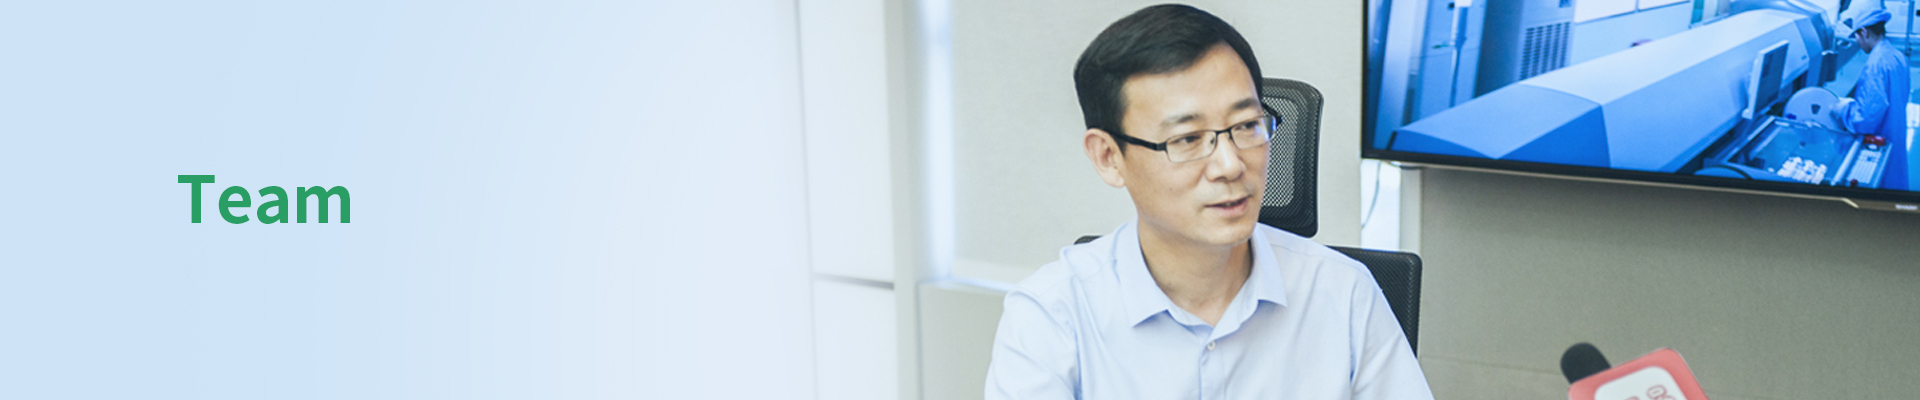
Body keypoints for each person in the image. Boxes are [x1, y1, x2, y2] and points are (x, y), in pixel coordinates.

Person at [982, 4, 1433, 399]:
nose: (1230, 165)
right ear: (1108, 157)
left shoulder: (1343, 293)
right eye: (1187, 138)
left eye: (1247, 126)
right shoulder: (1053, 315)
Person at [1836, 8, 1910, 190]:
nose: (1857, 42)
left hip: (1882, 137)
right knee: (1896, 182)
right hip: (1896, 129)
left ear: (1864, 32)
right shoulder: (1897, 55)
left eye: (1857, 36)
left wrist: (1842, 109)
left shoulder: (1875, 64)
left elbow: (1865, 119)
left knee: (1882, 185)